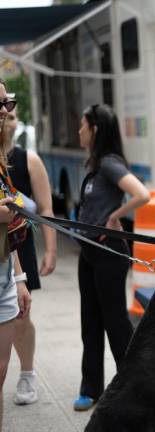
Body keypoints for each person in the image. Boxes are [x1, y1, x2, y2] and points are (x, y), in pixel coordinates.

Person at [74, 104, 150, 411]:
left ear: (95, 130)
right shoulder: (93, 165)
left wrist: (115, 217)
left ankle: (132, 390)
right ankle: (91, 389)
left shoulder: (108, 163)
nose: (79, 131)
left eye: (82, 126)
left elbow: (142, 194)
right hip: (89, 252)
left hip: (109, 252)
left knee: (116, 323)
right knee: (89, 323)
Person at [1, 104, 57, 406]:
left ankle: (26, 374)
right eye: (3, 116)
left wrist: (50, 250)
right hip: (4, 243)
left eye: (11, 117)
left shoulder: (28, 160)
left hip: (19, 246)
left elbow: (46, 210)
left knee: (23, 315)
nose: (7, 121)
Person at [0, 78, 32, 431]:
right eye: (0, 105)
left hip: (5, 273)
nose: (6, 111)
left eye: (6, 103)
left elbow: (9, 228)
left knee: (1, 371)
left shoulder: (3, 159)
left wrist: (20, 278)